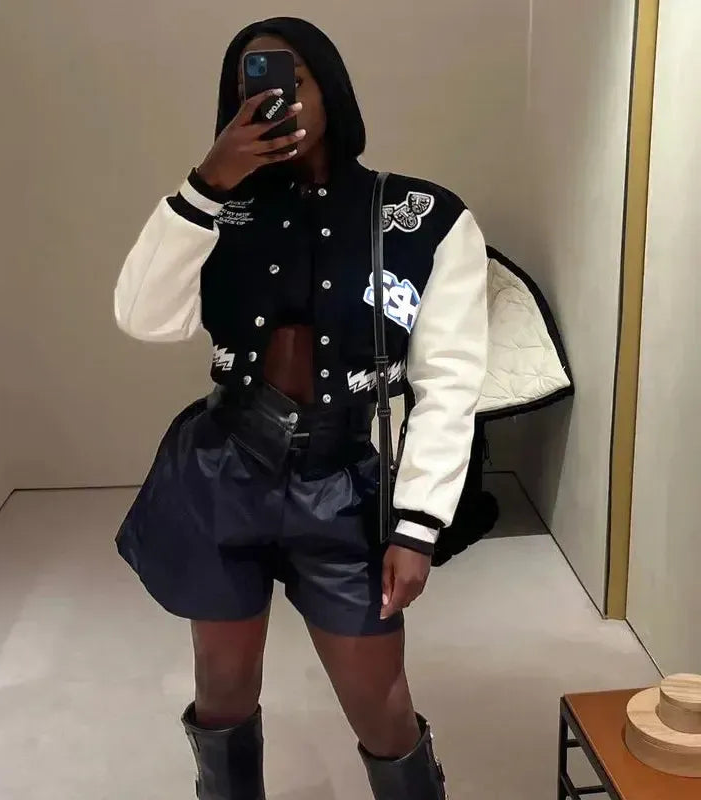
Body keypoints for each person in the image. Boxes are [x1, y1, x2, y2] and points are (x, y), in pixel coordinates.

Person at [114, 16, 487, 800]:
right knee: (222, 688)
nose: (272, 98)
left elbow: (450, 380)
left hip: (341, 479)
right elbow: (144, 319)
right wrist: (204, 186)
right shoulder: (218, 207)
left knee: (381, 702)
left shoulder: (421, 216)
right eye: (248, 84)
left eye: (290, 78)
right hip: (224, 468)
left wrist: (418, 524)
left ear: (329, 87)